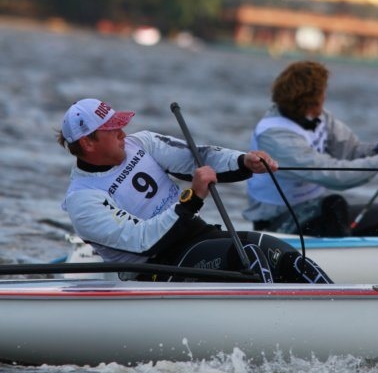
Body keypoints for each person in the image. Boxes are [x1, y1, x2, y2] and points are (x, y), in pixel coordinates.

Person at [57, 98, 332, 284]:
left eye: (119, 124)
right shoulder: (83, 200)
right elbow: (143, 240)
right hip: (158, 268)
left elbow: (199, 157)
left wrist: (243, 161)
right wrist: (191, 199)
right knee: (249, 257)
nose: (122, 132)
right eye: (112, 129)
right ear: (88, 143)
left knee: (283, 256)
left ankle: (336, 315)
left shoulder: (141, 143)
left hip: (198, 237)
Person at [243, 60, 378, 237]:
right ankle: (344, 252)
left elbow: (351, 152)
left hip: (315, 214)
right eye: (322, 92)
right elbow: (335, 176)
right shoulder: (274, 135)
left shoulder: (321, 118)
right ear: (311, 100)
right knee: (333, 205)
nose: (325, 96)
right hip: (275, 225)